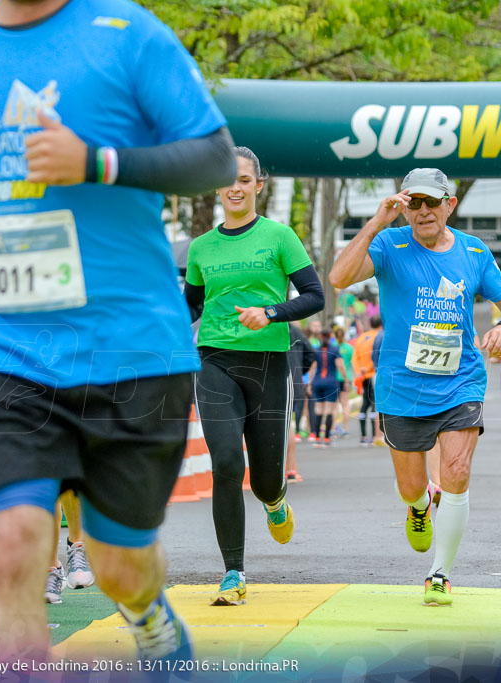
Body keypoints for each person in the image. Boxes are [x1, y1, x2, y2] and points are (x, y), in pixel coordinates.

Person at [0, 0, 237, 665]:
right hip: (1, 346)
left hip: (131, 349)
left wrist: (98, 162)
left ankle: (145, 610)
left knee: (117, 562)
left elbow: (216, 158)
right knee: (13, 544)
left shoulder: (127, 33)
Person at [329, 167, 501, 606]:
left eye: (431, 202)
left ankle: (440, 573)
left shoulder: (474, 252)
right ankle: (419, 508)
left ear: (448, 205)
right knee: (412, 486)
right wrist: (377, 222)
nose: (422, 211)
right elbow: (339, 278)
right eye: (413, 203)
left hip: (461, 382)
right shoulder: (388, 245)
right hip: (402, 388)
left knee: (456, 472)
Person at [186, 146, 325, 606]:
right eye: (228, 179)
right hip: (215, 361)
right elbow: (191, 305)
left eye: (245, 180)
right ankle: (232, 571)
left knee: (265, 480)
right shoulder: (202, 247)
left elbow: (313, 296)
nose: (235, 187)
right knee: (226, 462)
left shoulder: (279, 236)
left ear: (257, 186)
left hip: (267, 363)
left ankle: (275, 499)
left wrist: (269, 312)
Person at [307, 328, 349, 447]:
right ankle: (326, 439)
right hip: (331, 382)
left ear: (320, 336)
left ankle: (316, 439)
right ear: (330, 336)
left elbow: (313, 368)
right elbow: (341, 366)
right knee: (329, 410)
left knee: (318, 410)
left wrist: (310, 384)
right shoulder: (335, 350)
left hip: (317, 382)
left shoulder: (316, 351)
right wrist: (346, 380)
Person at [286, 323, 315, 478]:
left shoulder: (265, 325)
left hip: (269, 381)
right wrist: (299, 370)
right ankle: (290, 468)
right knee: (288, 423)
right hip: (293, 380)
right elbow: (310, 354)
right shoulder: (295, 331)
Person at [352, 315, 382, 446]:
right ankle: (375, 436)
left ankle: (363, 436)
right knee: (375, 404)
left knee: (365, 404)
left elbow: (355, 357)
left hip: (362, 376)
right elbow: (376, 355)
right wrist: (369, 369)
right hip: (373, 375)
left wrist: (360, 371)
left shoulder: (361, 338)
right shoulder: (380, 337)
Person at [334, 326, 355, 438]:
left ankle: (333, 427)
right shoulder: (349, 348)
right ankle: (345, 428)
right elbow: (353, 363)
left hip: (334, 377)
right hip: (347, 377)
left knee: (334, 404)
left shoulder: (333, 347)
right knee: (345, 403)